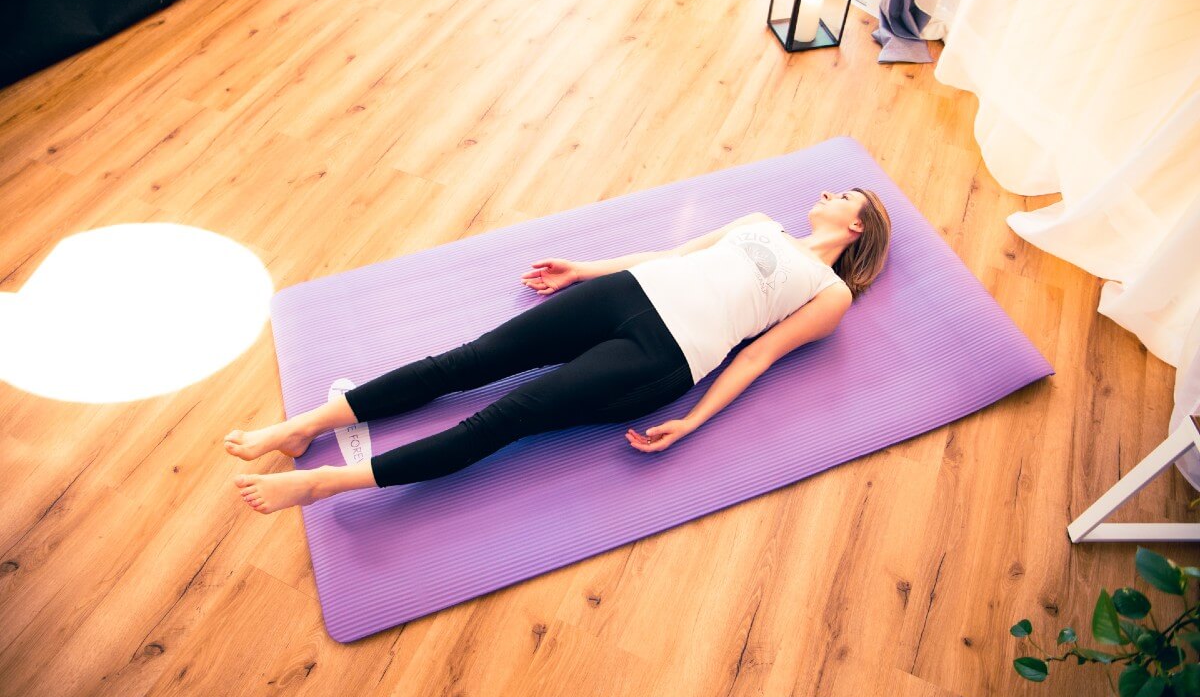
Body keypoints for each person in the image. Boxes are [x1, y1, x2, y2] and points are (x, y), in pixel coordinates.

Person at [228, 189, 892, 513]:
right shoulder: (759, 223)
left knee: (501, 418)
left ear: (856, 224)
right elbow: (672, 254)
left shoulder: (830, 293)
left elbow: (756, 358)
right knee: (465, 362)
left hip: (665, 357)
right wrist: (585, 269)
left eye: (841, 196)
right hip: (627, 293)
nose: (824, 195)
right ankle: (305, 426)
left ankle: (323, 484)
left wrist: (693, 421)